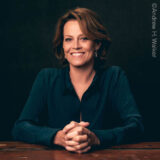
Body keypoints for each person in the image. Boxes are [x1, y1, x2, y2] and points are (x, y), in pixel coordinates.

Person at [12, 7, 144, 154]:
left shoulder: (114, 77)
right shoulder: (46, 78)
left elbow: (136, 126)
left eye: (84, 38)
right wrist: (59, 137)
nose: (75, 46)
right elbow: (20, 127)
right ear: (62, 45)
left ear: (97, 44)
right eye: (68, 39)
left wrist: (96, 138)